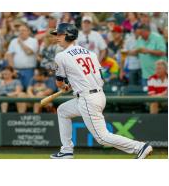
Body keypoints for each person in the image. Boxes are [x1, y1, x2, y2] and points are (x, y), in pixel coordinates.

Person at [49, 23, 153, 159]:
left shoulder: (61, 56)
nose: (57, 37)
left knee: (102, 138)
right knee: (63, 110)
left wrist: (65, 86)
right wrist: (72, 84)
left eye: (59, 34)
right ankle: (66, 150)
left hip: (87, 98)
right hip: (97, 95)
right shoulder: (90, 53)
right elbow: (98, 76)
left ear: (68, 35)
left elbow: (59, 83)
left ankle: (140, 147)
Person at [7, 23, 39, 89]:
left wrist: (21, 43)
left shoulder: (33, 41)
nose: (21, 32)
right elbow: (10, 56)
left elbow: (29, 52)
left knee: (28, 89)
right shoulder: (13, 41)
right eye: (19, 30)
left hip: (29, 70)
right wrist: (12, 69)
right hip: (16, 70)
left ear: (28, 31)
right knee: (17, 90)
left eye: (23, 30)